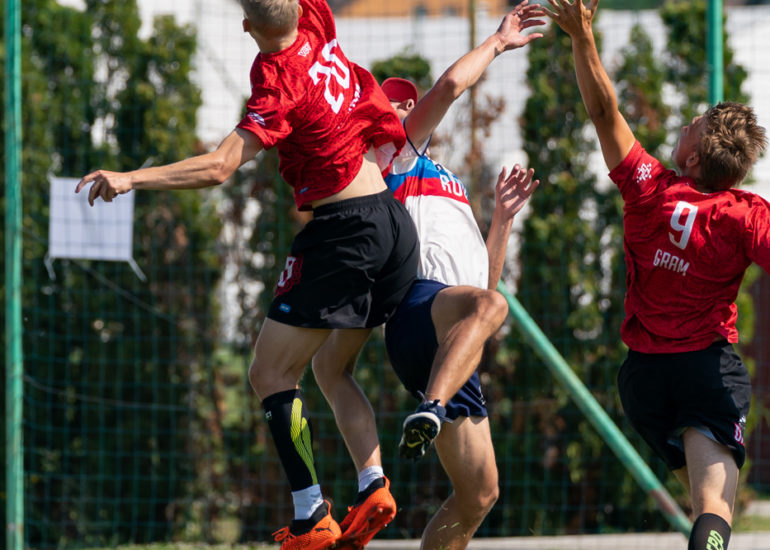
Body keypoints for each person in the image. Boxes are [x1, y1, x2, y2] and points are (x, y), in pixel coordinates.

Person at [75, 0, 420, 548]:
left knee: (269, 372)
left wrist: (131, 178)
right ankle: (372, 483)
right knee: (331, 368)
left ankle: (311, 515)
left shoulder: (278, 83)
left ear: (245, 26)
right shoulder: (314, 15)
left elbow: (219, 166)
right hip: (394, 223)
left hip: (345, 234)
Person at [312, 4, 543, 549]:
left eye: (407, 99)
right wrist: (498, 41)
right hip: (421, 310)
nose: (406, 104)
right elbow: (449, 88)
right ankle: (430, 409)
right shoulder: (391, 154)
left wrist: (502, 220)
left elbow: (484, 285)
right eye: (393, 99)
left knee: (479, 494)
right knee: (490, 309)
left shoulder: (443, 178)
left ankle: (429, 411)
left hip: (451, 333)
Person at [543, 1, 770, 549]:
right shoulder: (745, 215)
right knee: (715, 507)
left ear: (693, 159)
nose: (686, 123)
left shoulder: (649, 188)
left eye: (694, 125)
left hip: (644, 381)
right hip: (705, 371)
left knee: (701, 505)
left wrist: (582, 36)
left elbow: (604, 113)